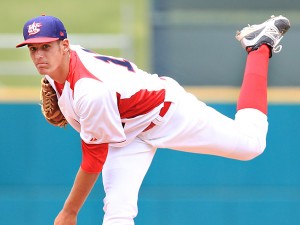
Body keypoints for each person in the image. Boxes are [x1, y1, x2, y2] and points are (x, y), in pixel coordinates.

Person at [16, 14, 290, 225]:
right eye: (33, 49)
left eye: (46, 47)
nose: (39, 56)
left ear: (64, 46)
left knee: (252, 144)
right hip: (124, 135)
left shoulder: (90, 91)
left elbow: (93, 160)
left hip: (166, 113)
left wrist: (69, 212)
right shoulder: (59, 66)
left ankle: (258, 48)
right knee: (117, 214)